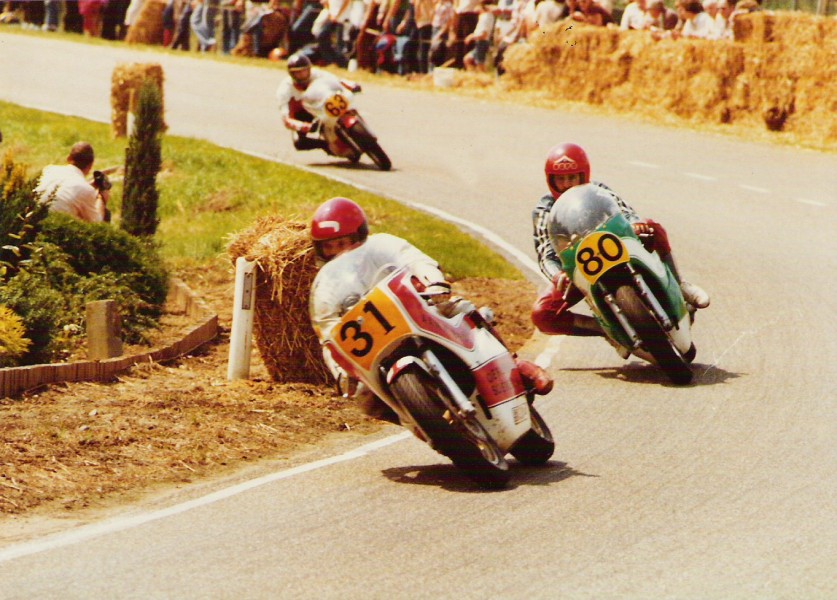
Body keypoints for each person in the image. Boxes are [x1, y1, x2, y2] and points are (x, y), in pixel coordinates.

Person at [309, 197, 553, 423]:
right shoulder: (325, 285)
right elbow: (328, 332)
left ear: (359, 236)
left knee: (460, 309)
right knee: (364, 398)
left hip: (417, 311)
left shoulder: (381, 245)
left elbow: (415, 260)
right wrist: (341, 371)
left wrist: (433, 281)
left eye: (342, 243)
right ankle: (418, 423)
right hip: (375, 345)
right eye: (329, 247)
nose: (337, 251)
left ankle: (517, 366)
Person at [530, 142, 709, 337]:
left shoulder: (597, 190)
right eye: (561, 179)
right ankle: (609, 330)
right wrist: (557, 275)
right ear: (551, 180)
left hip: (616, 248)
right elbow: (545, 254)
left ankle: (679, 284)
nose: (566, 184)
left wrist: (636, 223)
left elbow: (624, 211)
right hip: (576, 270)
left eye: (572, 177)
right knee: (542, 314)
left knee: (652, 226)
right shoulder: (544, 209)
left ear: (583, 175)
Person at [276, 53, 361, 152]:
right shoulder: (284, 90)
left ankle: (355, 121)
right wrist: (304, 126)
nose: (301, 75)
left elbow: (337, 81)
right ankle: (326, 145)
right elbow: (286, 118)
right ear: (291, 74)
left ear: (309, 69)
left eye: (304, 71)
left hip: (324, 104)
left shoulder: (317, 74)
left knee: (348, 105)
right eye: (297, 72)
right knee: (299, 143)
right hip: (304, 115)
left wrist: (351, 85)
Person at [34, 141, 109, 223]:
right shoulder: (86, 189)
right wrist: (102, 199)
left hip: (33, 223)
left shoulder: (48, 169)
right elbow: (97, 224)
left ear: (68, 158)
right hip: (57, 229)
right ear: (90, 165)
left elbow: (67, 187)